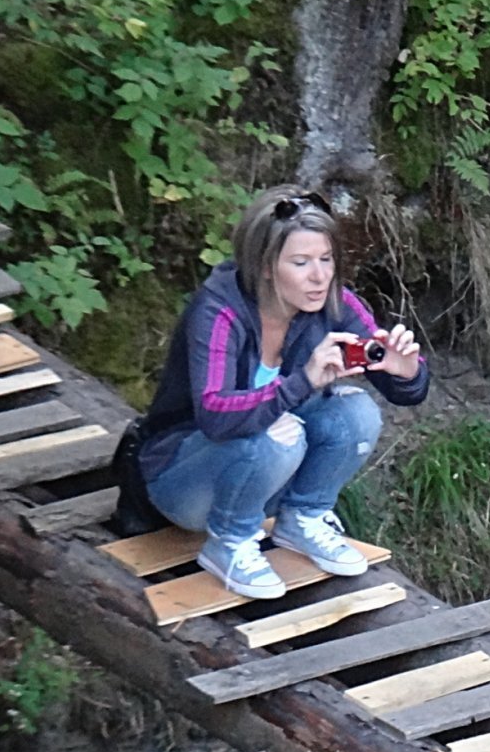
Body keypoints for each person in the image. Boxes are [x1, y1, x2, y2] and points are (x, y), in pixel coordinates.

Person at [125, 185, 428, 598]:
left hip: (267, 478)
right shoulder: (218, 312)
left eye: (326, 259)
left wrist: (404, 370)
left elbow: (406, 392)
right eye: (301, 263)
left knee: (357, 413)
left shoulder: (335, 304)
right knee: (277, 434)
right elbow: (215, 414)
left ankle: (303, 518)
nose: (320, 276)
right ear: (266, 265)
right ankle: (229, 542)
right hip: (183, 484)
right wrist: (302, 381)